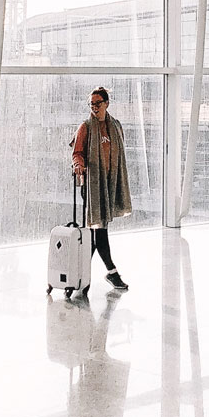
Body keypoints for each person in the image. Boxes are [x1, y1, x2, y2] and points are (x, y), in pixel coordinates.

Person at [71, 87, 132, 291]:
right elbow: (77, 152)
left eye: (98, 103)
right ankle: (110, 272)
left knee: (94, 234)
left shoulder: (115, 126)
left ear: (107, 103)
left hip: (109, 184)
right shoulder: (86, 127)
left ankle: (79, 275)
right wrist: (79, 165)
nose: (94, 108)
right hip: (92, 187)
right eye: (92, 104)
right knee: (99, 231)